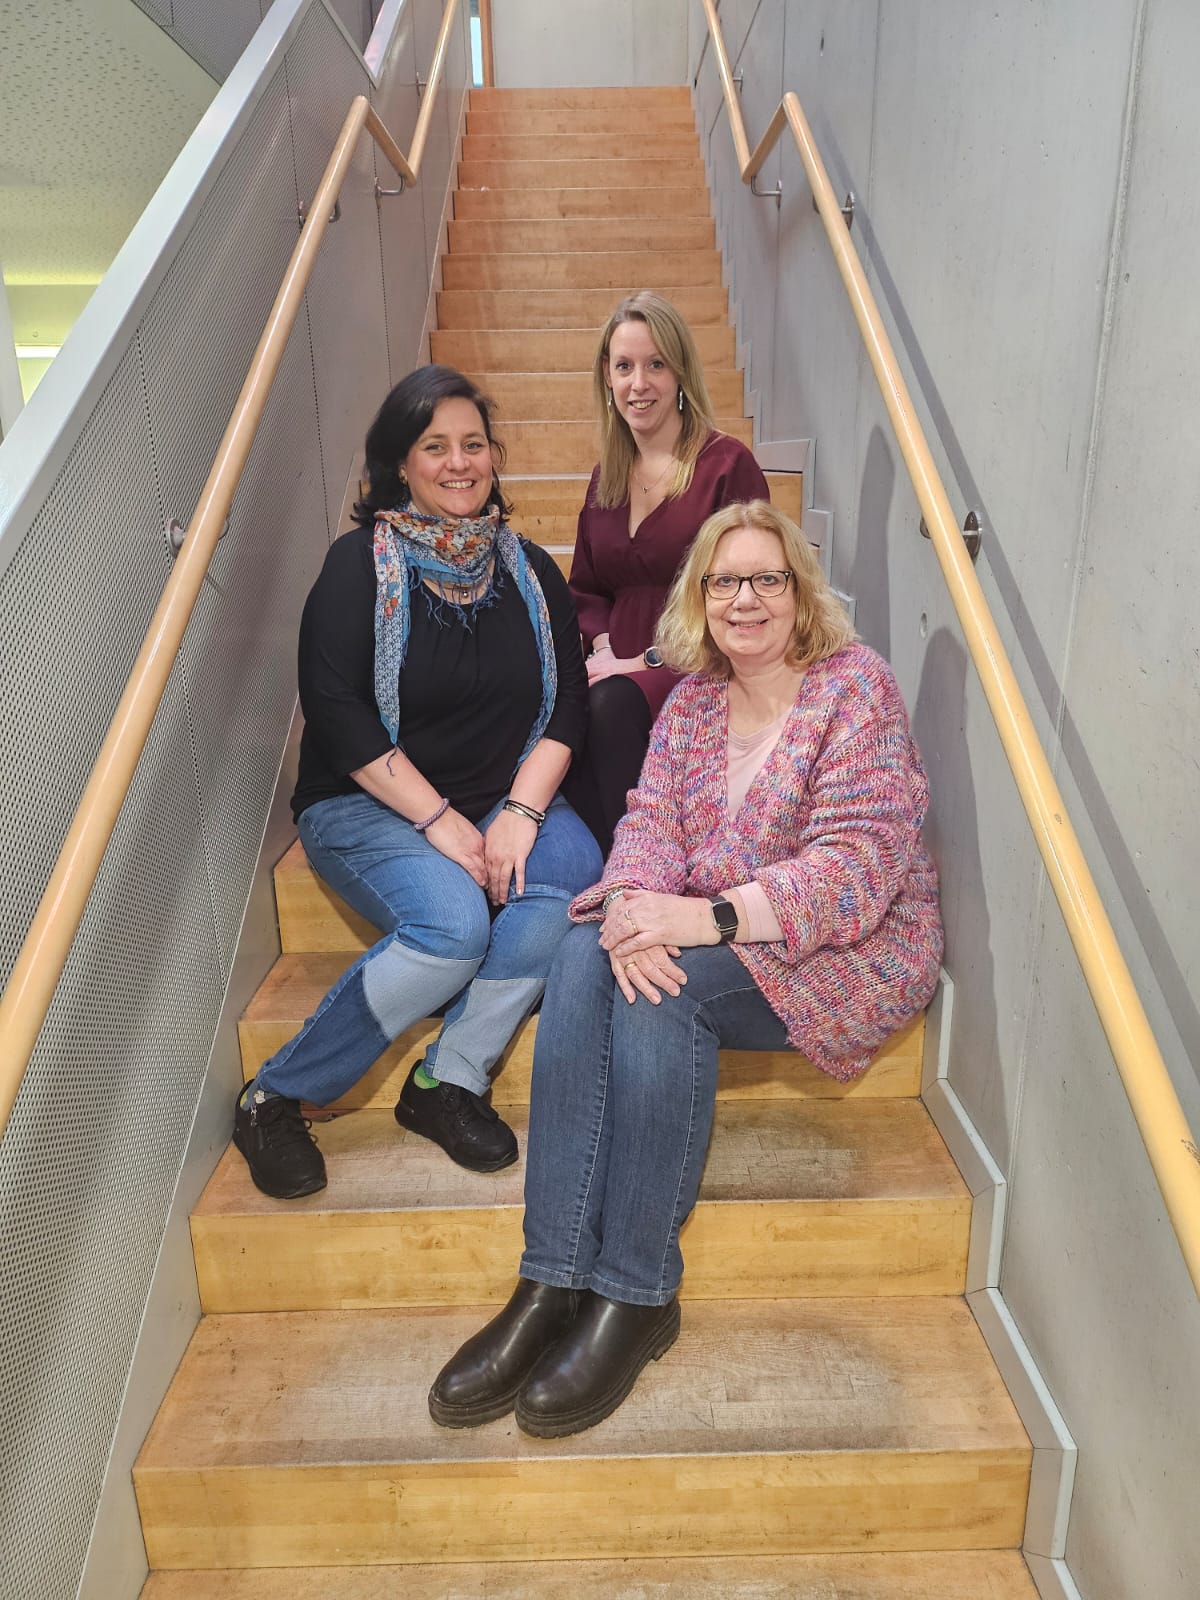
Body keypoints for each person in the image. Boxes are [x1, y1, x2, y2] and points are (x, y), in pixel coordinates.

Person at [428, 500, 943, 1438]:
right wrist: (631, 904)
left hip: (844, 950)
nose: (745, 600)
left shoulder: (854, 687)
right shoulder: (695, 702)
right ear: (699, 598)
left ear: (799, 591)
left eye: (767, 579)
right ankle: (551, 1279)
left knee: (662, 999)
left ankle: (635, 1292)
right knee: (584, 952)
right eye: (724, 581)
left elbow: (857, 869)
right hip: (716, 925)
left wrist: (700, 918)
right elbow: (651, 823)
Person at [233, 365, 601, 1199]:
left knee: (574, 885)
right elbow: (338, 714)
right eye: (436, 447)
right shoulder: (355, 568)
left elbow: (570, 706)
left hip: (500, 794)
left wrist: (521, 809)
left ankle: (447, 1080)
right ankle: (274, 1096)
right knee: (452, 925)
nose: (460, 463)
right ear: (401, 464)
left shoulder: (531, 570)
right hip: (367, 803)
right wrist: (439, 820)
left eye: (474, 444)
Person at [564, 291, 770, 855]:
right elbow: (586, 588)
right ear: (606, 377)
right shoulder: (607, 475)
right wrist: (605, 649)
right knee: (567, 710)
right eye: (624, 366)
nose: (639, 383)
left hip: (703, 664)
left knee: (609, 708)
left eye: (655, 364)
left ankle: (637, 872)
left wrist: (644, 662)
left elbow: (749, 591)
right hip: (616, 663)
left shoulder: (726, 465)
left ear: (680, 372)